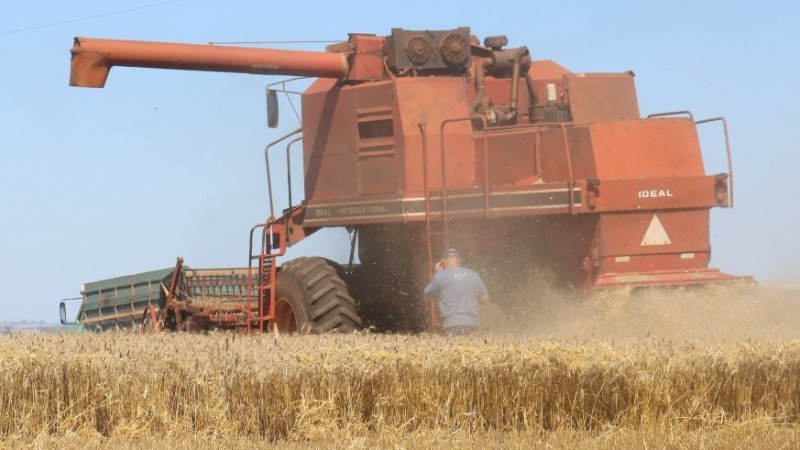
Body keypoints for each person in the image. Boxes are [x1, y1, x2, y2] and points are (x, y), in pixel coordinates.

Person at [423, 248, 490, 336]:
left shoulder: (440, 276)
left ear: (442, 261)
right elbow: (485, 298)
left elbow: (427, 293)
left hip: (451, 324)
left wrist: (438, 273)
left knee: (455, 349)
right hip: (472, 323)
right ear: (459, 260)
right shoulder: (474, 275)